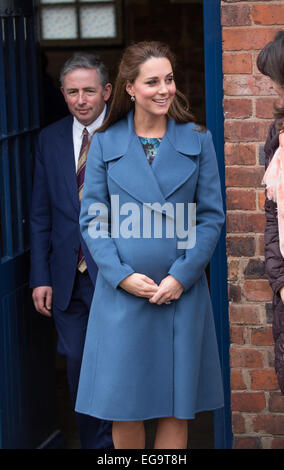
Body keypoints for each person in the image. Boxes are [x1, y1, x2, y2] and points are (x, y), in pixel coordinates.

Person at [75, 41, 225, 449]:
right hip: (124, 296)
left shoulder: (197, 139)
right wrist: (121, 276)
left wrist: (182, 275)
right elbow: (93, 220)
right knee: (127, 408)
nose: (165, 89)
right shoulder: (105, 143)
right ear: (129, 87)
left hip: (181, 293)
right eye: (153, 81)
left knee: (176, 409)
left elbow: (210, 217)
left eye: (169, 79)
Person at [29, 53, 113, 449]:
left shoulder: (127, 133)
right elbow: (41, 213)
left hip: (117, 276)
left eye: (89, 91)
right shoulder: (49, 138)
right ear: (62, 93)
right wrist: (40, 277)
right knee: (79, 366)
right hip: (67, 279)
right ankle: (97, 447)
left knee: (117, 366)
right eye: (73, 92)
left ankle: (120, 447)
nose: (81, 100)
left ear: (107, 92)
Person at [257, 31, 284, 394]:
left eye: (275, 79)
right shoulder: (277, 134)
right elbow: (272, 215)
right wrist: (280, 282)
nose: (272, 87)